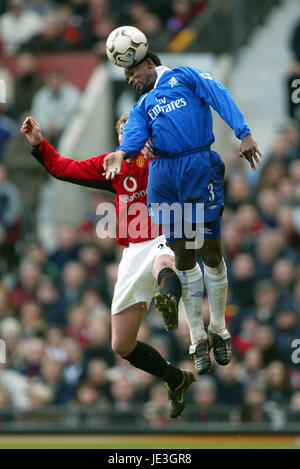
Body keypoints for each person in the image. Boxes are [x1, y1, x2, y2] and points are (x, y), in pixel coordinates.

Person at [21, 114, 195, 419]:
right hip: (133, 251)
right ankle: (175, 378)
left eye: (138, 133)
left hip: (166, 231)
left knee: (165, 260)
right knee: (121, 344)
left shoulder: (165, 155)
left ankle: (169, 300)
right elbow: (63, 168)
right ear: (119, 140)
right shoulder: (112, 166)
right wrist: (38, 144)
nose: (132, 140)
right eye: (125, 134)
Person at [103, 50, 263, 376]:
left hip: (198, 165)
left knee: (211, 252)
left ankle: (219, 328)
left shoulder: (186, 76)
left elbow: (219, 94)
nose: (131, 81)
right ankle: (197, 338)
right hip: (164, 176)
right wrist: (121, 153)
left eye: (132, 73)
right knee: (183, 256)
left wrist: (243, 132)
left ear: (149, 62)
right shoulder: (143, 106)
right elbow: (133, 133)